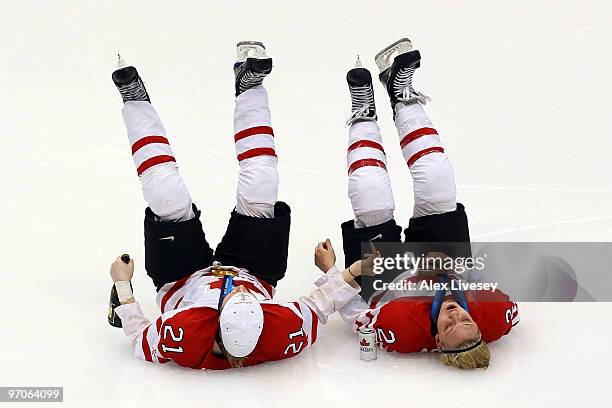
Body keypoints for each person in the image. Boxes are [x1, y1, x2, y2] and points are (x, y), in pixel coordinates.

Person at [108, 41, 362, 369]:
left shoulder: (183, 337)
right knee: (262, 181)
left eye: (233, 299)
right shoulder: (280, 331)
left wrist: (122, 285)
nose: (235, 291)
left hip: (181, 280)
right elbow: (319, 305)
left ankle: (135, 101)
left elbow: (138, 335)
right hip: (254, 270)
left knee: (164, 190)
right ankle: (250, 87)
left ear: (217, 321)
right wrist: (350, 272)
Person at [315, 38, 519, 369]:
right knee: (437, 176)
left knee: (370, 190)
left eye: (448, 327)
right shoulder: (498, 315)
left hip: (385, 276)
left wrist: (330, 272)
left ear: (436, 342)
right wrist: (452, 272)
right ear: (480, 326)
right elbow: (495, 287)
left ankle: (364, 115)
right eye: (466, 322)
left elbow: (354, 314)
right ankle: (401, 95)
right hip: (444, 260)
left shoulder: (400, 330)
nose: (454, 316)